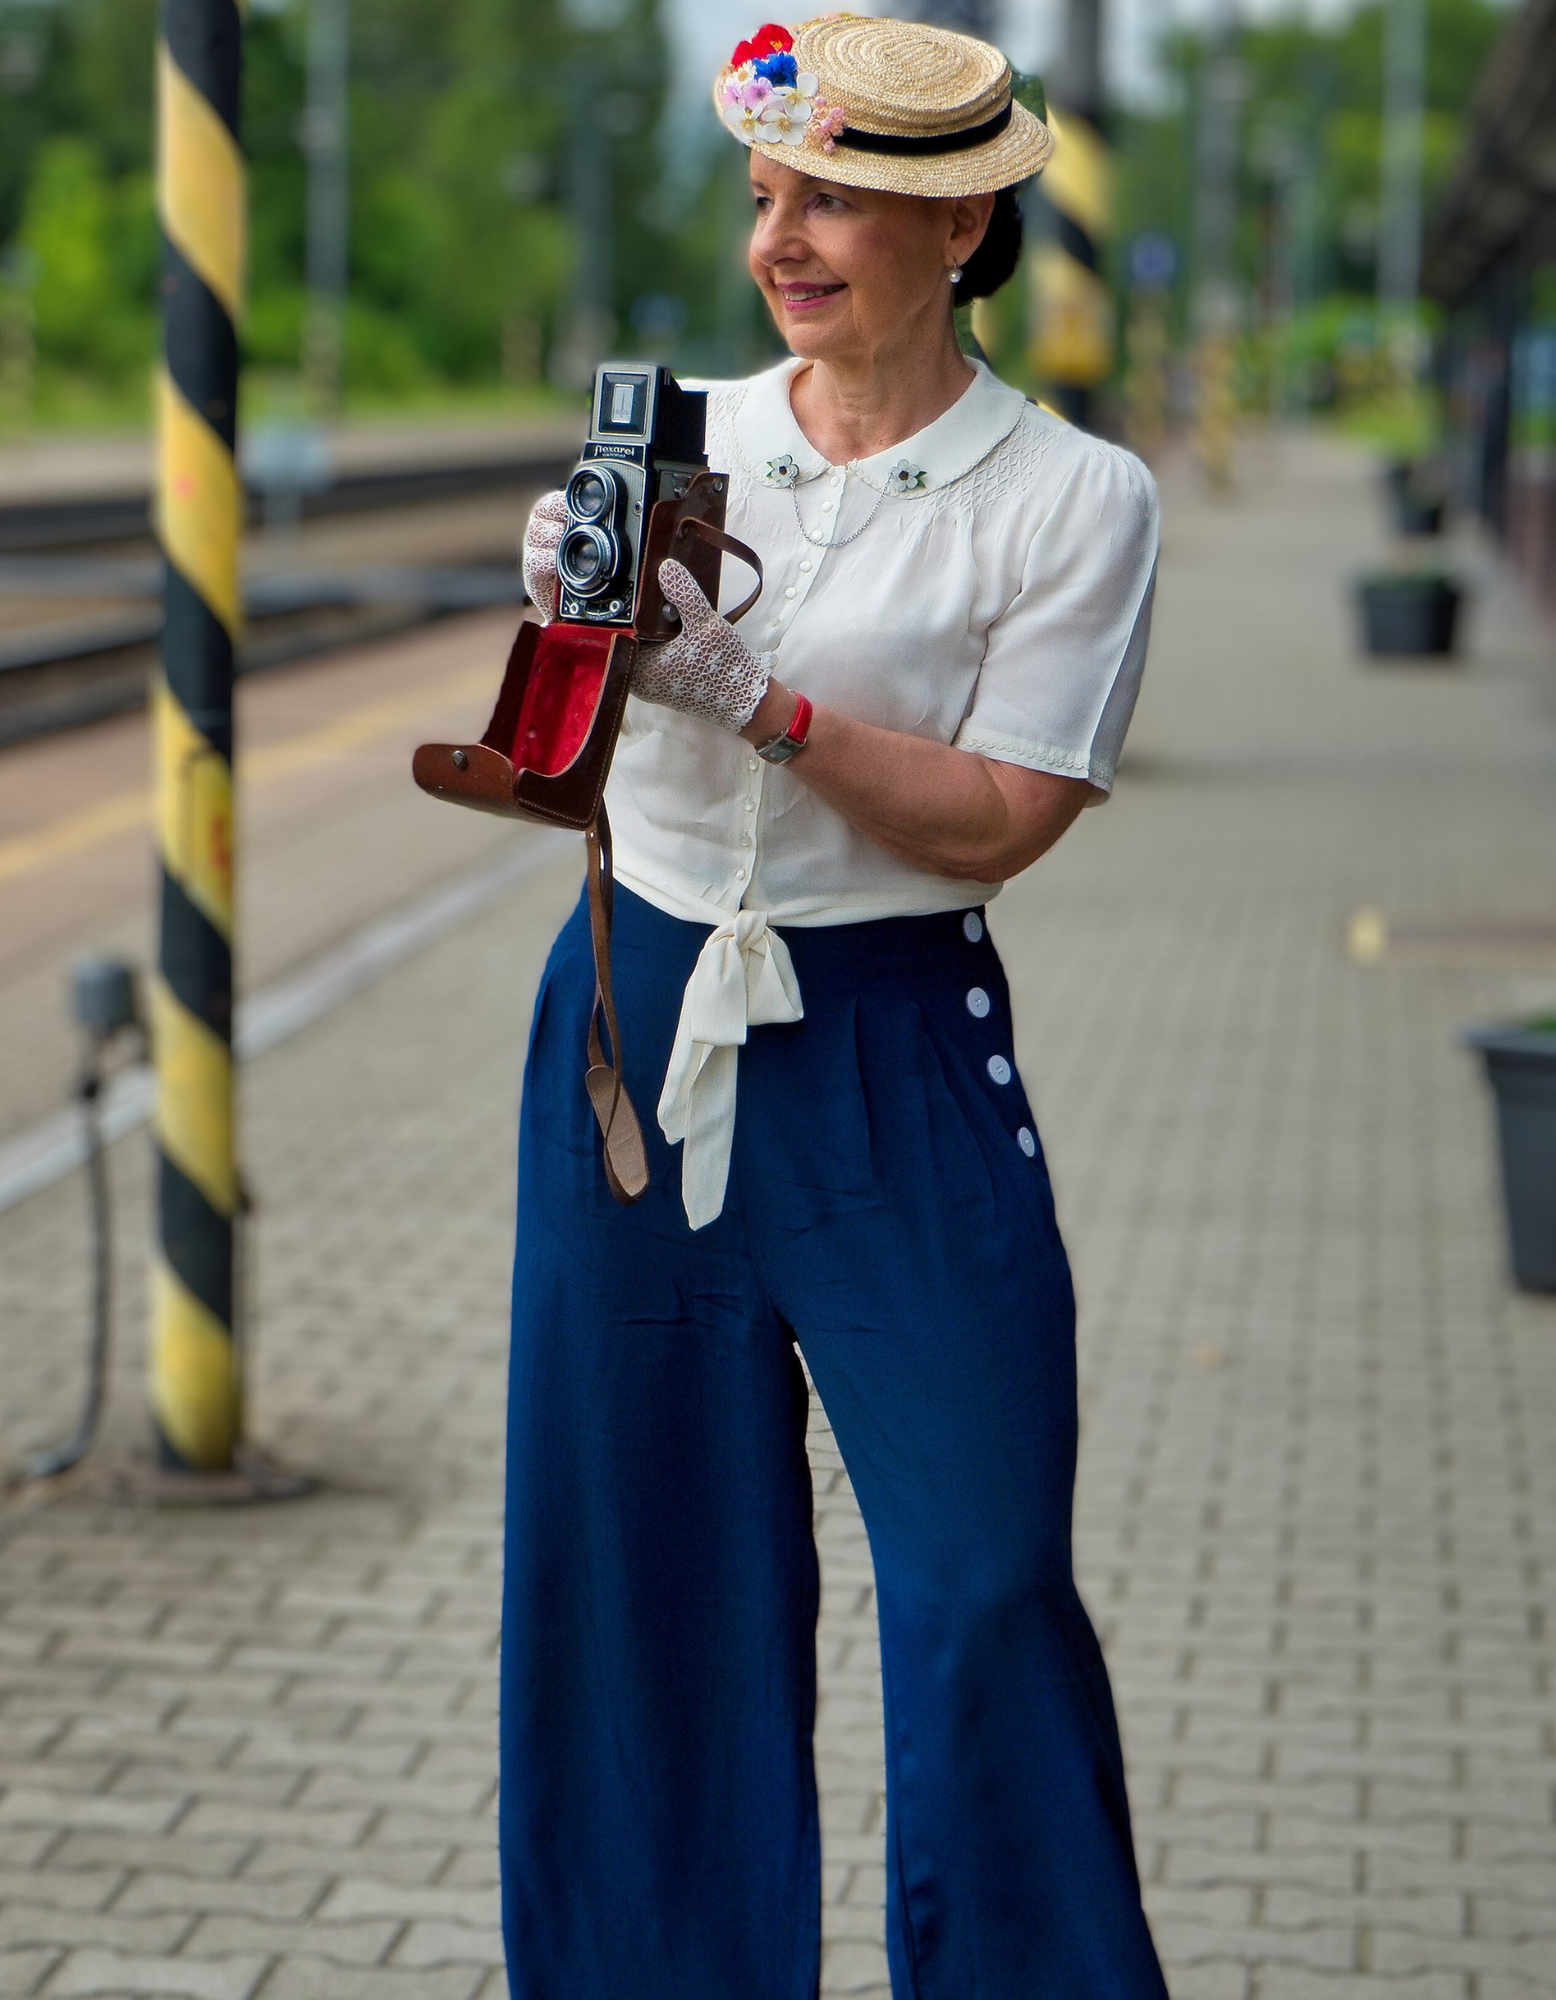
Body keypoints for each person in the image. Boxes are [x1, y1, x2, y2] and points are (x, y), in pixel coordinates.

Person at [500, 15, 1169, 2000]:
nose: (778, 242)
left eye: (832, 205)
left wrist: (762, 704)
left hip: (891, 1049)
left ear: (960, 228)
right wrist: (567, 624)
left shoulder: (1070, 496)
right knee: (649, 1586)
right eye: (766, 196)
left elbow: (1001, 819)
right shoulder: (682, 435)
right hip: (635, 1022)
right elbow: (555, 760)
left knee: (982, 1574)